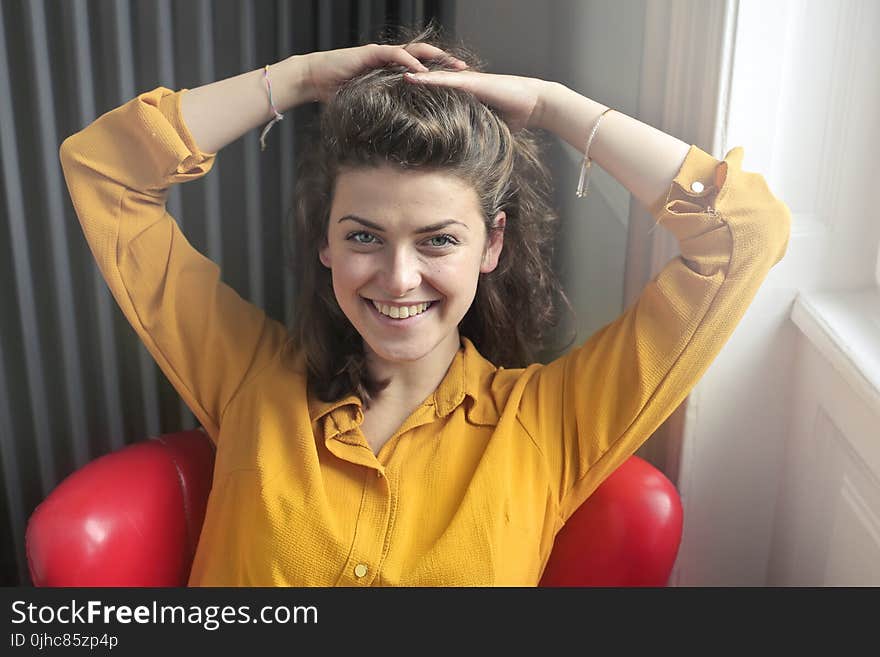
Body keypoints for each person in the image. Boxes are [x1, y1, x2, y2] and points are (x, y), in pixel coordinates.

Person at [59, 23, 791, 586]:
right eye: (364, 236)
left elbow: (746, 233)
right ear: (325, 240)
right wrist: (299, 78)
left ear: (491, 243)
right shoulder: (249, 377)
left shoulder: (551, 423)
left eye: (438, 239)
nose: (398, 277)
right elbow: (103, 168)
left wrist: (550, 105)